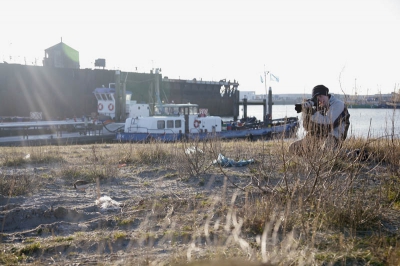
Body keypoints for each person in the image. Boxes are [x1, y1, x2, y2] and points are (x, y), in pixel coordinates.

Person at [289, 85, 350, 155]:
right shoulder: (318, 106)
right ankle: (317, 152)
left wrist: (313, 113)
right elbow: (306, 127)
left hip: (335, 135)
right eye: (317, 98)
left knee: (326, 152)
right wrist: (307, 112)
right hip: (319, 134)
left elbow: (329, 123)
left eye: (321, 96)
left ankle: (352, 154)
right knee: (293, 148)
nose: (320, 100)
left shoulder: (338, 104)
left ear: (327, 95)